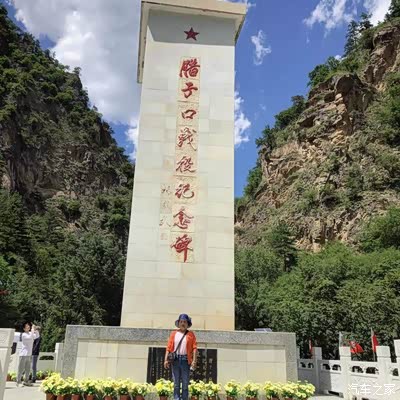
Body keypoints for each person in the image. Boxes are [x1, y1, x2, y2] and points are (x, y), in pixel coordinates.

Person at [164, 314, 197, 400]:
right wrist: (165, 360)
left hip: (186, 360)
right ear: (178, 323)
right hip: (175, 360)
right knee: (176, 383)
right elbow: (168, 347)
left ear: (187, 324)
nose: (183, 323)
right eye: (181, 322)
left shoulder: (191, 334)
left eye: (185, 322)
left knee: (185, 383)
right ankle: (176, 398)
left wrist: (194, 360)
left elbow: (194, 348)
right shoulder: (174, 334)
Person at [16, 322, 40, 387]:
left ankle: (26, 381)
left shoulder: (30, 333)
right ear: (24, 328)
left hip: (29, 354)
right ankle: (18, 382)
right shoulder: (23, 335)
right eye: (26, 326)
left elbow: (37, 336)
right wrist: (33, 330)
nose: (28, 327)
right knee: (21, 369)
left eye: (28, 326)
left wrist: (35, 330)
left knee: (27, 369)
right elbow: (30, 337)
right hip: (23, 354)